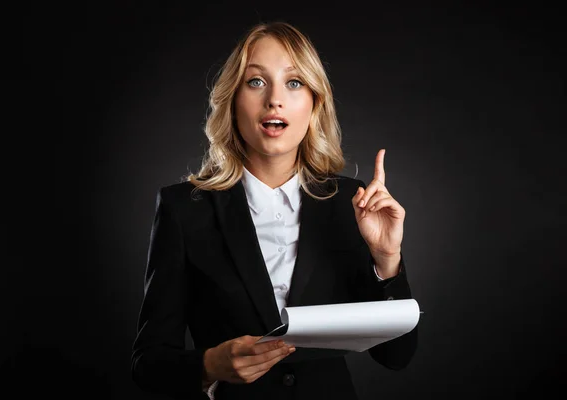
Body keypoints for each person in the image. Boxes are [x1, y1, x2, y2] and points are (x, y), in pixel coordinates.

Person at [131, 21, 418, 400]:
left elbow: (397, 356)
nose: (274, 100)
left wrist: (387, 260)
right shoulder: (183, 208)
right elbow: (148, 365)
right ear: (233, 100)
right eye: (256, 82)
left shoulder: (355, 203)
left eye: (294, 82)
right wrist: (210, 365)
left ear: (315, 103)